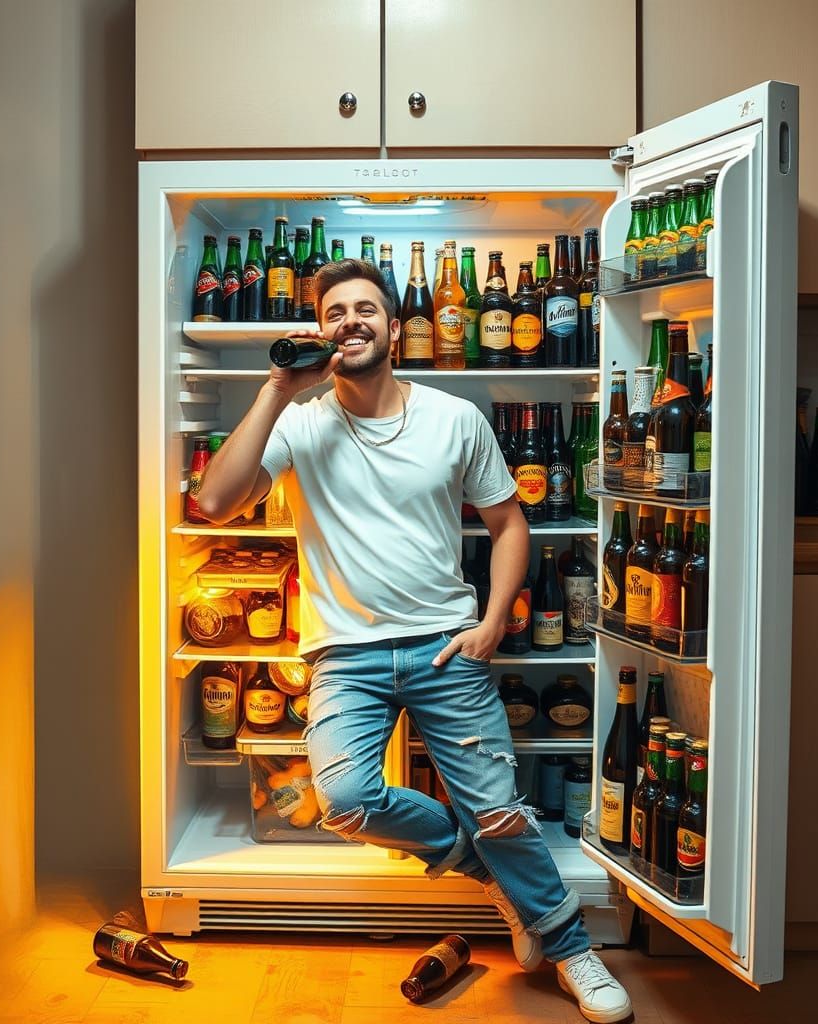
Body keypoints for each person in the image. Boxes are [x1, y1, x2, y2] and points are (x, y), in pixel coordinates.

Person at [197, 259, 632, 1024]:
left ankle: (570, 948)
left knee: (498, 808)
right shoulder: (298, 422)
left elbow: (508, 524)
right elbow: (213, 500)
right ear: (319, 332)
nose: (351, 321)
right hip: (343, 653)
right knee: (348, 800)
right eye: (335, 313)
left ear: (396, 328)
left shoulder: (452, 417)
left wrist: (494, 621)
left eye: (366, 308)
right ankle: (492, 871)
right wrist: (275, 389)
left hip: (443, 644)